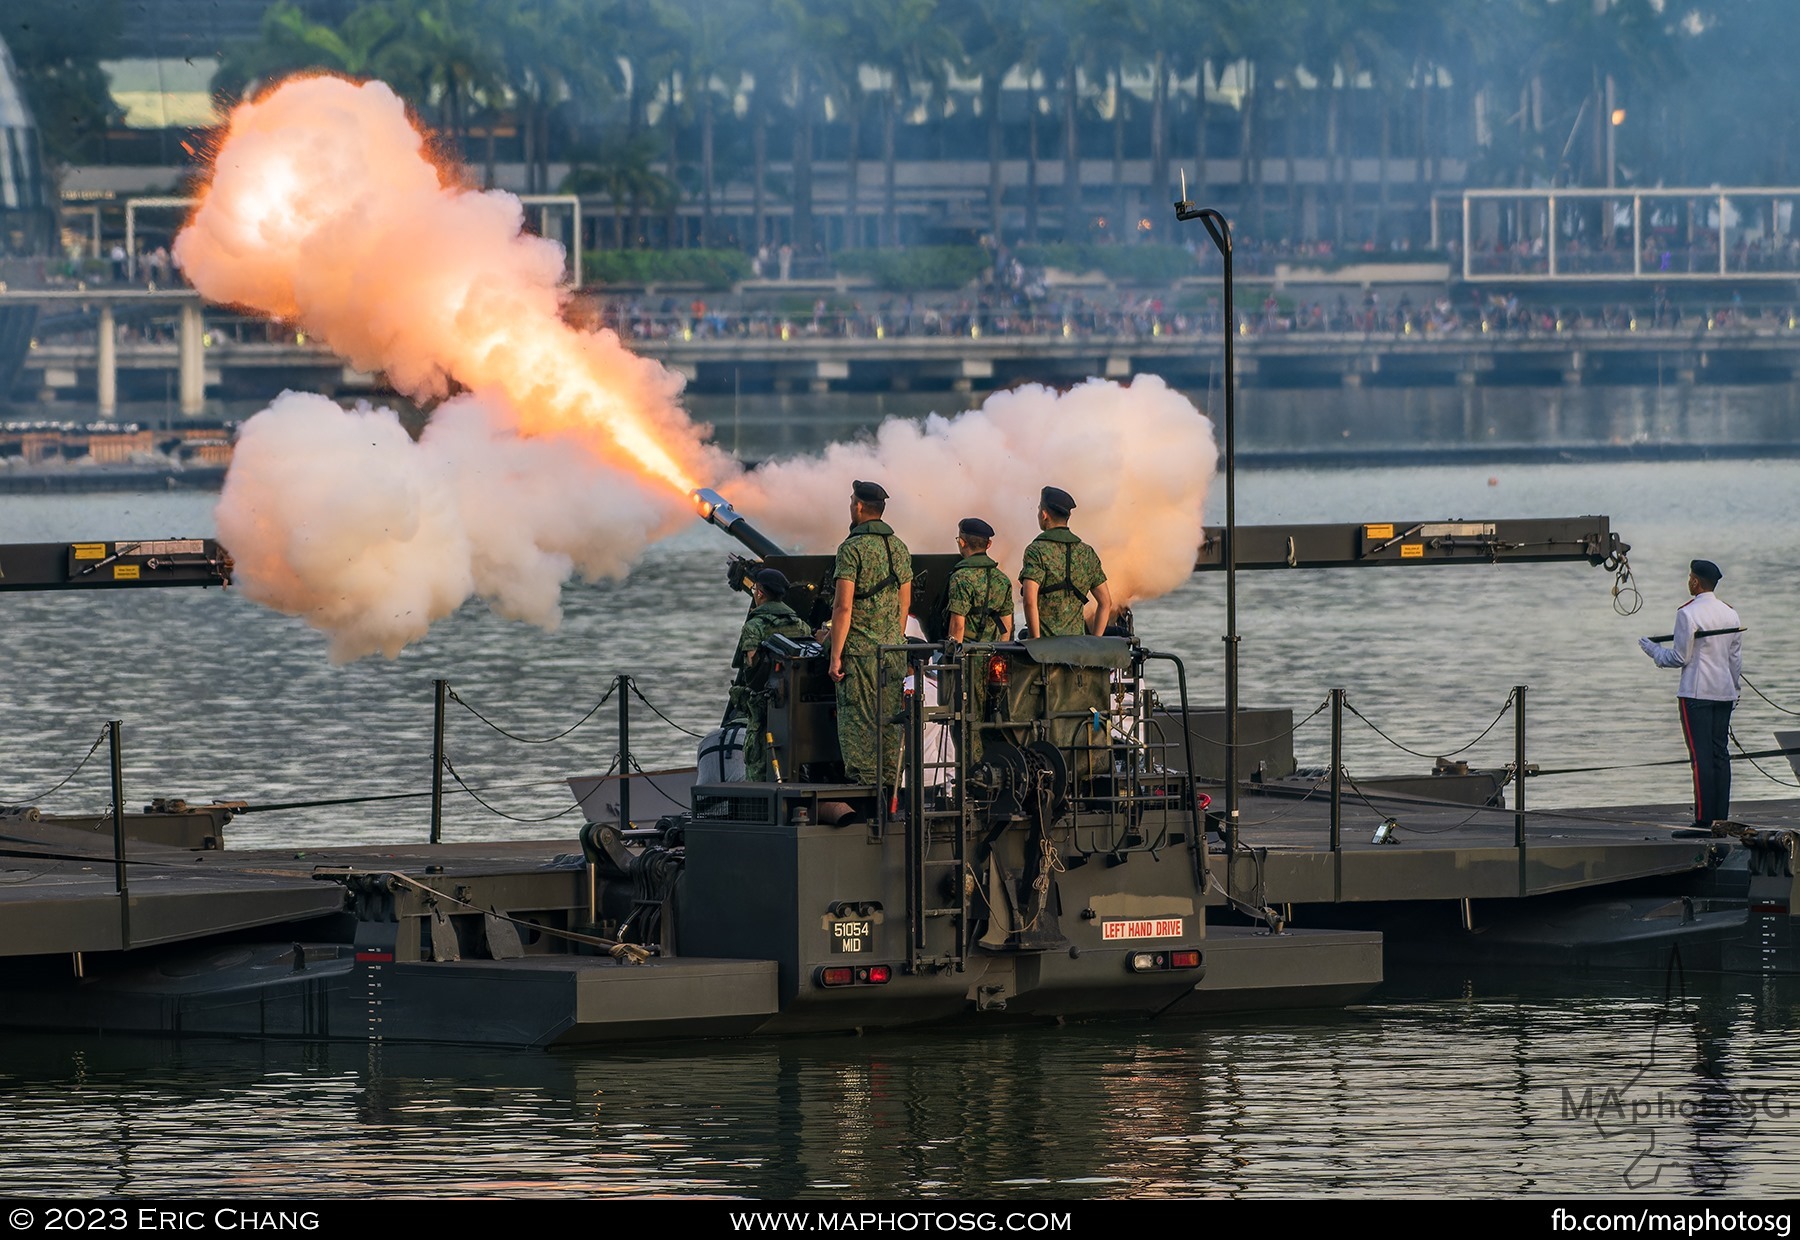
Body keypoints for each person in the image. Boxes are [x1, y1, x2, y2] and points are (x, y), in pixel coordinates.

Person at [1639, 559, 1743, 829]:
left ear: (1696, 582)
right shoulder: (1730, 613)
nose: (1688, 581)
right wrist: (1735, 690)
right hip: (1724, 692)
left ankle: (1703, 820)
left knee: (1701, 757)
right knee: (1720, 755)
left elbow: (1679, 657)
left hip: (1696, 693)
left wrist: (1653, 651)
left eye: (1690, 577)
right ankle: (1720, 818)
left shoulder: (1687, 613)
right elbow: (1735, 659)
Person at [827, 480, 912, 790]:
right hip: (893, 653)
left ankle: (867, 794)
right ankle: (890, 789)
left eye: (852, 502)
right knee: (890, 722)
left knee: (859, 725)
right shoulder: (899, 548)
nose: (851, 506)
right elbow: (905, 603)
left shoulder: (851, 549)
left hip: (860, 656)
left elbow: (842, 607)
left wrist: (835, 655)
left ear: (860, 507)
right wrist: (895, 639)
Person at [728, 568, 814, 782]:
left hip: (763, 707)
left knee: (757, 763)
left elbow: (751, 666)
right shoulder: (800, 624)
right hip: (796, 710)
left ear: (759, 594)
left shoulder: (754, 626)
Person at [1018, 486, 1112, 639]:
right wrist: (1096, 641)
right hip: (1077, 649)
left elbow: (1029, 600)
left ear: (1044, 514)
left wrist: (1035, 642)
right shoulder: (1087, 552)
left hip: (1045, 651)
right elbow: (1106, 602)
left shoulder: (1036, 551)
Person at [942, 517, 1013, 653]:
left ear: (962, 543)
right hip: (993, 656)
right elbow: (1006, 626)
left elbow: (958, 626)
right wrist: (1000, 655)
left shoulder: (961, 578)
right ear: (988, 544)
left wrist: (953, 659)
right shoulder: (1003, 579)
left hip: (967, 655)